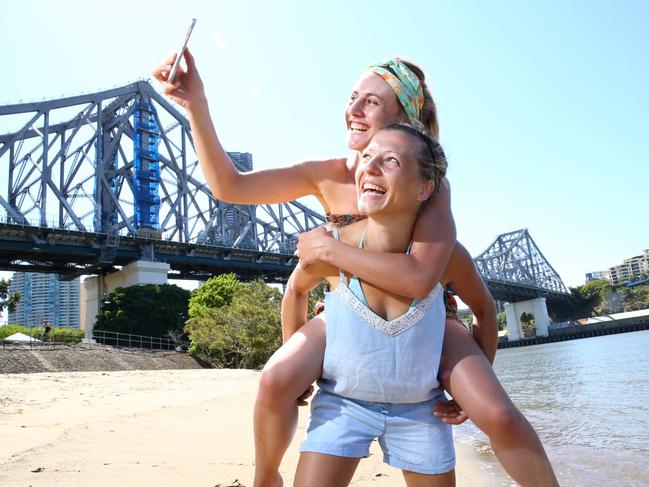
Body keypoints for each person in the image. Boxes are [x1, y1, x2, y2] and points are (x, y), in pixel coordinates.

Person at [152, 52, 558, 487]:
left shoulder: (431, 185)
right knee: (276, 381)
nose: (355, 109)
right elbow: (230, 186)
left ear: (404, 116)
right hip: (346, 310)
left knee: (498, 414)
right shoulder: (326, 174)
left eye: (372, 102)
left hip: (424, 315)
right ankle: (265, 477)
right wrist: (196, 105)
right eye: (353, 98)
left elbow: (423, 278)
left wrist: (328, 247)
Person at [292, 123, 456, 486]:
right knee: (274, 383)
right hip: (343, 404)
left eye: (391, 160)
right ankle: (264, 474)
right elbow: (294, 291)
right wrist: (298, 364)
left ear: (425, 188)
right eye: (367, 157)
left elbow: (484, 307)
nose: (371, 166)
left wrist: (463, 393)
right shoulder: (330, 247)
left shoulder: (441, 256)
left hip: (422, 410)